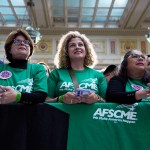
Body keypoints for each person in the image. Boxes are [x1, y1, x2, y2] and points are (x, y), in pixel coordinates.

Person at [46, 31, 107, 104]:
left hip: (91, 115)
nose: (77, 47)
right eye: (72, 45)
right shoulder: (56, 73)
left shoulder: (98, 75)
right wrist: (61, 99)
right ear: (66, 52)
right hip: (62, 115)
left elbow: (108, 103)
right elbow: (45, 101)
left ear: (86, 50)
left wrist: (97, 98)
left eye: (80, 44)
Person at [0, 29, 47, 104]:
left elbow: (41, 96)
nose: (22, 43)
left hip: (29, 115)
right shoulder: (1, 69)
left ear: (30, 49)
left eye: (26, 42)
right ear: (9, 49)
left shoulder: (38, 68)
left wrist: (17, 96)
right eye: (17, 41)